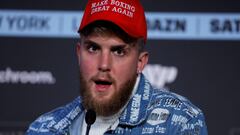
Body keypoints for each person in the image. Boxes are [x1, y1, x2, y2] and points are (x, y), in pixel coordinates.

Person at [26, 0, 208, 134]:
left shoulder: (179, 121)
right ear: (79, 53)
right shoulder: (44, 128)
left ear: (140, 62)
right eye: (93, 48)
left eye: (119, 51)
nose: (104, 65)